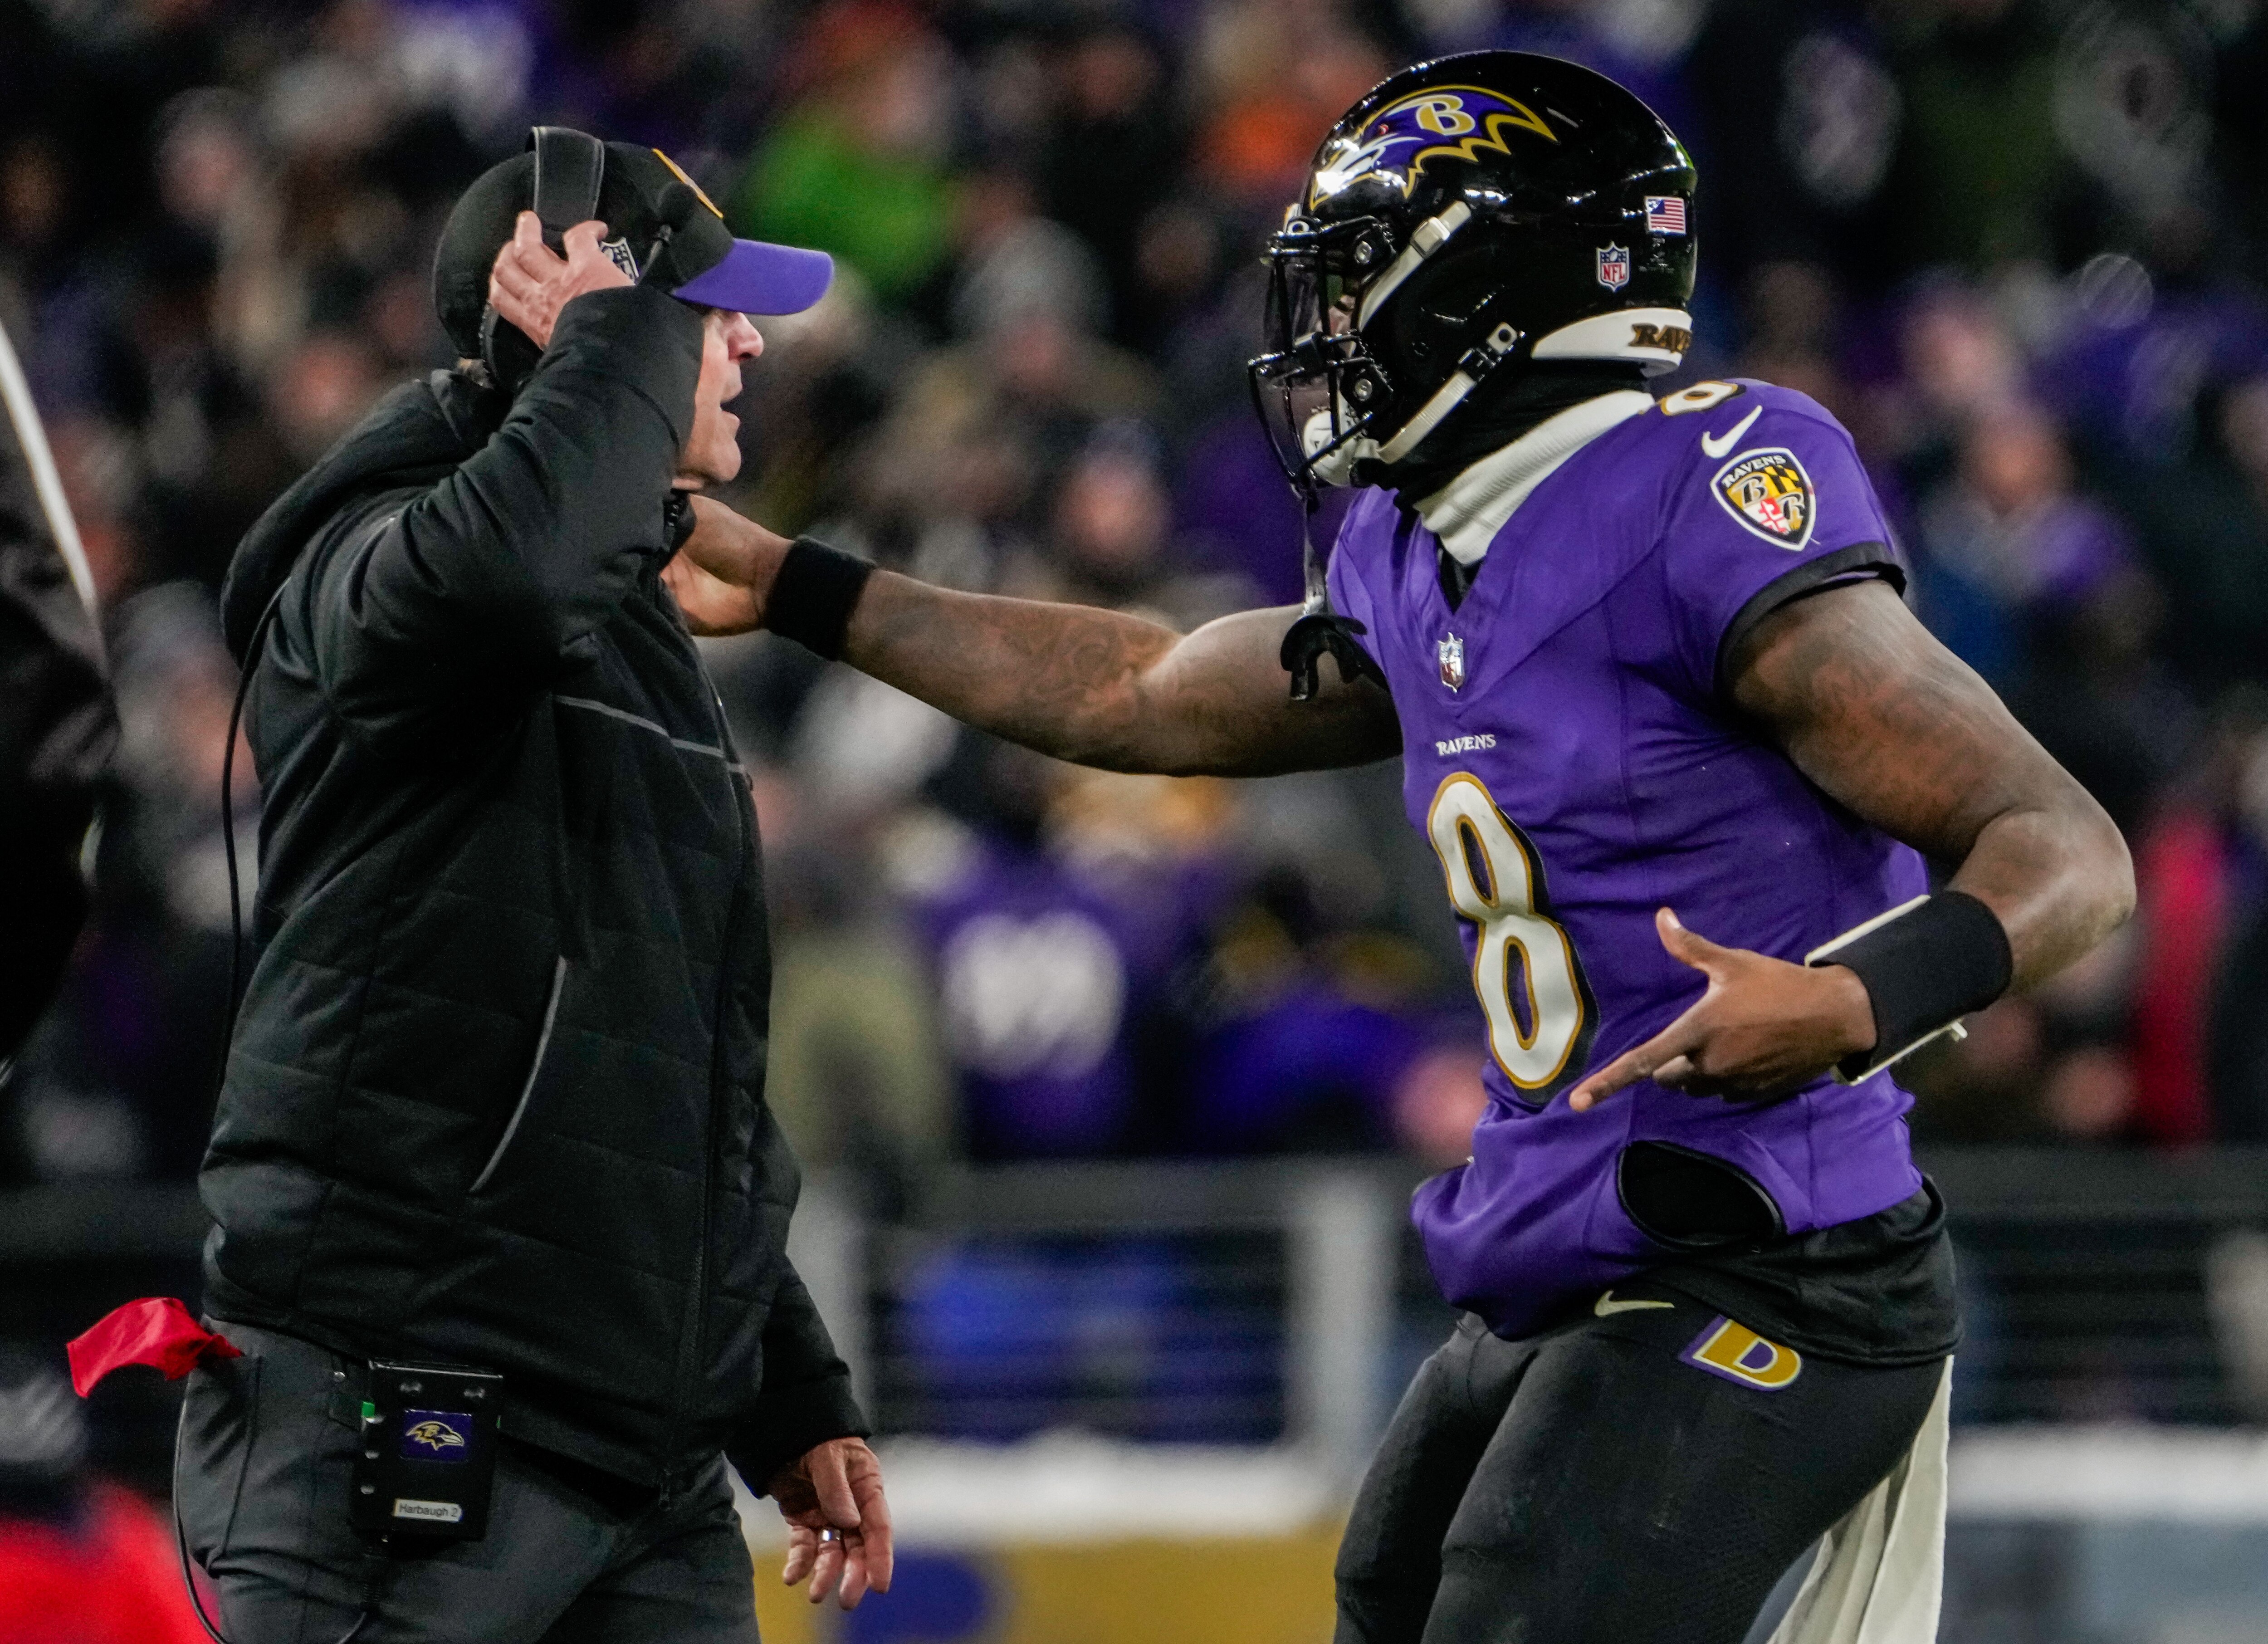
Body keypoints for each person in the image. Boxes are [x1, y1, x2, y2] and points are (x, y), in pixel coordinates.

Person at [660, 54, 2133, 1644]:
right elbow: (1147, 689)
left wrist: (1850, 1005)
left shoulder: (1694, 504)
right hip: (1571, 1246)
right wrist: (802, 588)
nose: (1330, 328)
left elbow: (2063, 847)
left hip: (1782, 1254)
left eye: (1363, 277)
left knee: (1512, 1606)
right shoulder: (1420, 544)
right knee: (1396, 1599)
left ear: (1494, 291)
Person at [182, 130, 890, 1641]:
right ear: (582, 311)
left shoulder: (636, 632)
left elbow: (659, 1045)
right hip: (401, 1390)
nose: (748, 341)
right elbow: (501, 578)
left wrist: (783, 1383)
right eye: (707, 309)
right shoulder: (375, 551)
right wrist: (608, 330)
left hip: (639, 1459)